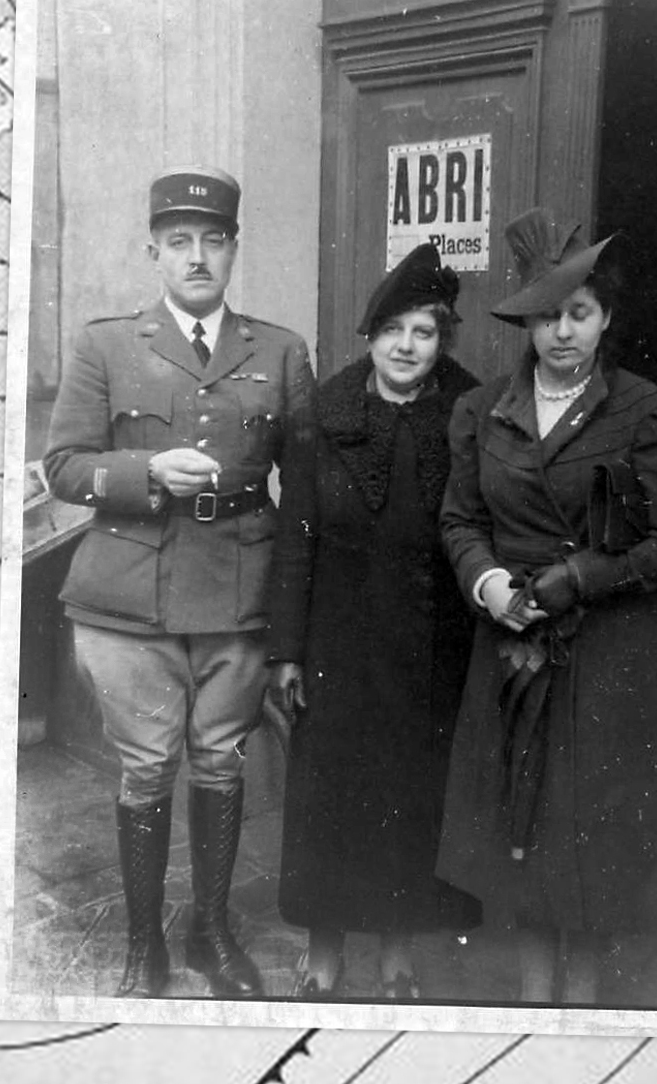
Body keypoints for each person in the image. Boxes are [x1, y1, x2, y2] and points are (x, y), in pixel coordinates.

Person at [42, 164, 314, 1000]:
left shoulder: (280, 350)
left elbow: (303, 488)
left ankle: (211, 932)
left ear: (233, 250)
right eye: (180, 242)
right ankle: (139, 947)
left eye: (214, 241)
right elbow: (62, 467)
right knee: (145, 768)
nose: (198, 257)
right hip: (129, 596)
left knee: (221, 765)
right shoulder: (106, 345)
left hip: (238, 590)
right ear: (154, 251)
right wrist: (145, 469)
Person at [434, 206, 657, 1005]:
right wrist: (488, 584)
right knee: (518, 827)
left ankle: (583, 1004)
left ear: (605, 318)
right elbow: (461, 519)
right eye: (548, 315)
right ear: (527, 321)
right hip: (514, 645)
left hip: (606, 653)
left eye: (579, 314)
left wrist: (584, 578)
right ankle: (531, 997)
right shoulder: (482, 411)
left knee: (589, 834)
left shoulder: (643, 411)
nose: (562, 332)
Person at [272, 242, 484, 1000]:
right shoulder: (323, 413)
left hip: (430, 645)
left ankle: (397, 952)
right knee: (329, 799)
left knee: (409, 795)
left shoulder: (471, 410)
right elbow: (295, 536)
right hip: (336, 642)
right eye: (393, 329)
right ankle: (325, 952)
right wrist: (286, 651)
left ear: (442, 340)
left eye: (423, 332)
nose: (406, 346)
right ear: (370, 335)